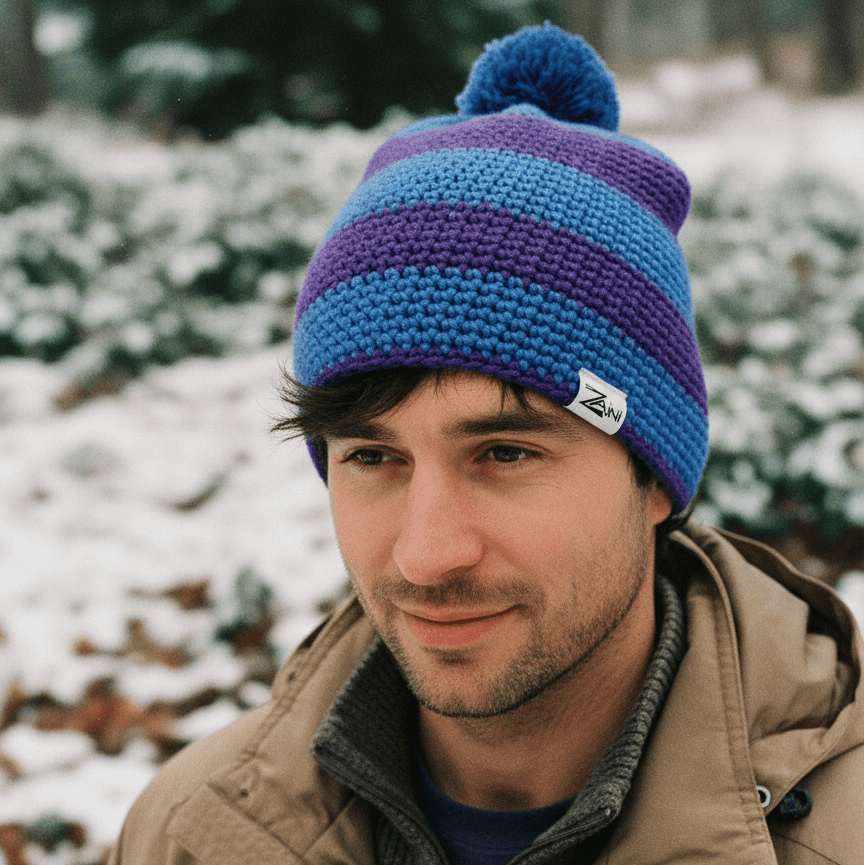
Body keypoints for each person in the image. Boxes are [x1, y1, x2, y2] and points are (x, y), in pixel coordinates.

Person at [108, 24, 864, 865]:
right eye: (372, 456)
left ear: (653, 477)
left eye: (505, 453)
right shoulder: (192, 833)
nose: (429, 553)